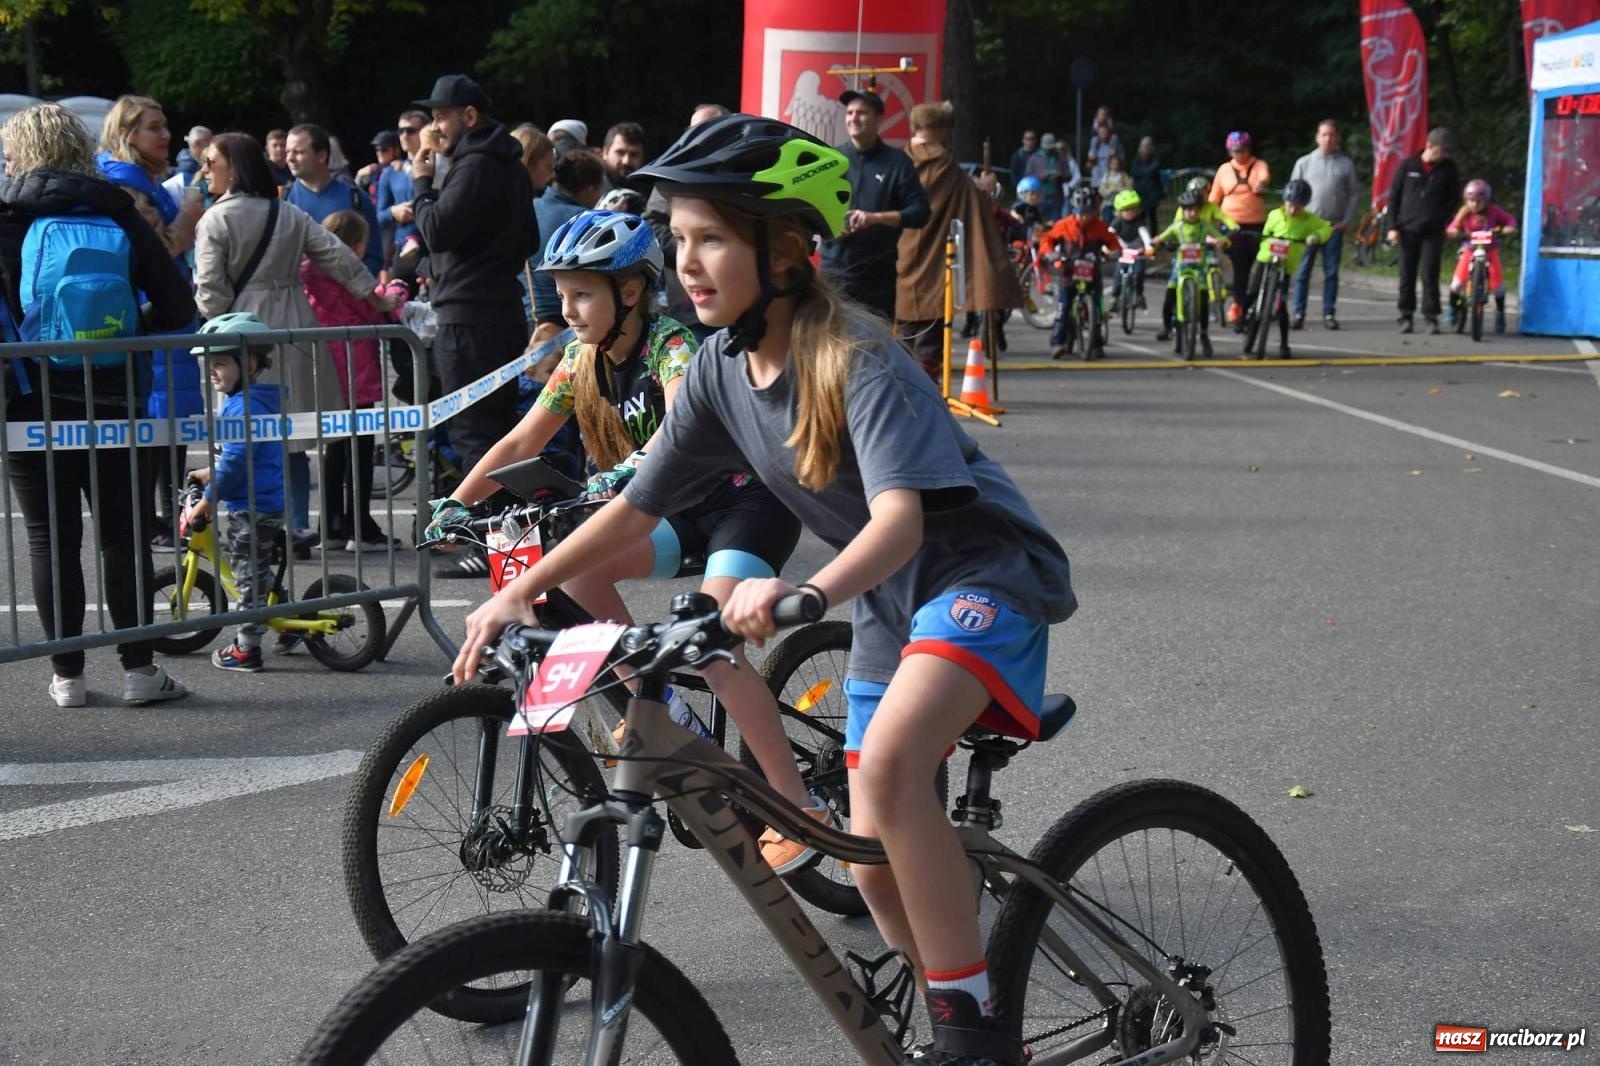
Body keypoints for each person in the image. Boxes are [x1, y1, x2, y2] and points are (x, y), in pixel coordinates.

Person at [453, 114, 1076, 1066]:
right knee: (871, 857)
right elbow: (634, 510)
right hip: (884, 602)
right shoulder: (716, 369)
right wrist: (515, 592)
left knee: (893, 768)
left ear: (782, 248)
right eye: (680, 241)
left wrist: (805, 597)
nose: (686, 263)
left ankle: (974, 1033)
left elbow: (902, 520)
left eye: (710, 239)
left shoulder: (858, 360)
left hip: (976, 574)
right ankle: (957, 1014)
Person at [429, 207, 832, 868]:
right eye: (562, 295)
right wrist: (453, 503)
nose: (570, 308)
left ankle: (801, 808)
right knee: (573, 574)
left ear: (632, 292)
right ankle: (665, 713)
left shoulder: (673, 345)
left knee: (710, 643)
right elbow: (518, 441)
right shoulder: (580, 361)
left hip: (743, 504)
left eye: (583, 293)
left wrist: (632, 468)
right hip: (670, 511)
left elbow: (680, 430)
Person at [1, 102, 196, 706]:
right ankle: (139, 671)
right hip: (116, 396)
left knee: (49, 538)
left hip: (29, 401)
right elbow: (178, 309)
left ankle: (67, 678)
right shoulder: (118, 210)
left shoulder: (7, 217)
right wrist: (118, 325)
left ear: (24, 153)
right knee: (122, 535)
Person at [192, 133, 395, 559]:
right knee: (293, 434)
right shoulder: (288, 213)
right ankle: (298, 524)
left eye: (212, 161)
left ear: (235, 167)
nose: (204, 169)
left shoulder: (215, 220)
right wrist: (374, 296)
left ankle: (260, 526)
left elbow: (210, 291)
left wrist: (214, 322)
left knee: (244, 431)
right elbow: (338, 256)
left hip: (239, 331)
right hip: (293, 328)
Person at [96, 94, 205, 554]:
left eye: (165, 126)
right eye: (153, 127)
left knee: (172, 421)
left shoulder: (145, 181)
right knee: (155, 422)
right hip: (149, 317)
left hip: (167, 319)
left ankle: (168, 514)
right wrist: (188, 215)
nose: (165, 136)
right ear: (127, 135)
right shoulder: (127, 187)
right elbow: (158, 251)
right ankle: (151, 519)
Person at [183, 314, 286, 672]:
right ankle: (286, 626)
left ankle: (246, 649)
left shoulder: (244, 406)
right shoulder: (248, 401)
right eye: (210, 365)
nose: (213, 373)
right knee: (256, 570)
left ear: (251, 364)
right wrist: (208, 472)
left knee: (247, 575)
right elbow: (240, 456)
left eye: (221, 364)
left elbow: (237, 461)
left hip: (253, 507)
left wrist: (209, 498)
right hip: (262, 499)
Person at [896, 101, 1023, 380]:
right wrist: (986, 186)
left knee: (902, 329)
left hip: (901, 254)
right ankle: (924, 389)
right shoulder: (944, 164)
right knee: (930, 330)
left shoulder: (899, 159)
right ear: (942, 130)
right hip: (935, 259)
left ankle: (901, 388)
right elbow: (974, 198)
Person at [301, 209, 401, 551]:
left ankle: (330, 524)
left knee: (335, 449)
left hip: (326, 366)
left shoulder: (308, 272)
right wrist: (397, 293)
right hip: (355, 365)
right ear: (355, 246)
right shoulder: (349, 273)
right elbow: (378, 308)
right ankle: (360, 525)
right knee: (360, 449)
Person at [817, 88, 929, 323]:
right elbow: (811, 207)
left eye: (861, 113)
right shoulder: (831, 160)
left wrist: (875, 218)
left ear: (879, 119)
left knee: (876, 346)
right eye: (849, 113)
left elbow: (920, 212)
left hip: (877, 275)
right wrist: (832, 224)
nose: (853, 118)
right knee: (829, 342)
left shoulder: (897, 162)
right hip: (834, 271)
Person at [1242, 180, 1333, 359]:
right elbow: (1266, 233)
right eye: (1290, 205)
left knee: (1281, 303)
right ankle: (1242, 319)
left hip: (1287, 263)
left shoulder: (1309, 220)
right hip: (1266, 258)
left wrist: (1316, 236)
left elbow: (1326, 228)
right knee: (1253, 291)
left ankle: (1284, 343)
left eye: (1298, 207)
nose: (1293, 210)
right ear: (1284, 202)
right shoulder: (1274, 215)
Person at [1386, 127, 1462, 335]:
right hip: (1407, 228)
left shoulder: (1449, 169)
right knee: (1406, 274)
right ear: (1429, 146)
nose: (1445, 154)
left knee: (1430, 273)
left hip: (1433, 229)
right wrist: (1393, 226)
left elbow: (1454, 198)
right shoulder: (1407, 165)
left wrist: (1445, 219)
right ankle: (1405, 315)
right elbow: (1394, 197)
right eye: (1442, 150)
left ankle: (1431, 316)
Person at [283, 123, 384, 277]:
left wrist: (350, 287)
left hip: (347, 296)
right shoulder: (282, 201)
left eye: (298, 152)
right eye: (288, 152)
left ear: (322, 156)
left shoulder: (355, 198)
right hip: (299, 297)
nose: (290, 158)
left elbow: (374, 256)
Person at [529, 149, 605, 344]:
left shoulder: (526, 208)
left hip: (526, 321)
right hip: (569, 326)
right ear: (590, 189)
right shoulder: (587, 221)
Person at [1288, 119, 1359, 330]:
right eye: (1324, 134)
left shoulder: (1346, 164)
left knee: (1331, 272)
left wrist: (1346, 221)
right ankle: (1299, 312)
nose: (1327, 139)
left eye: (1331, 135)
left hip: (1332, 226)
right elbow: (1291, 192)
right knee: (1302, 271)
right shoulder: (1304, 163)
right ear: (1317, 137)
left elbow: (1354, 194)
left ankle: (1329, 312)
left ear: (1337, 138)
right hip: (1307, 225)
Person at [1039, 185, 1121, 359]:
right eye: (1081, 213)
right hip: (1069, 271)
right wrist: (1050, 253)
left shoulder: (1099, 227)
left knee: (1097, 307)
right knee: (1064, 307)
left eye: (1088, 213)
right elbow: (1048, 239)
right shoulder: (1064, 225)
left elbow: (1113, 242)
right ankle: (1057, 342)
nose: (1084, 217)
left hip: (1092, 271)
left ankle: (1097, 342)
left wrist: (1113, 251)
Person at [1151, 186, 1231, 355]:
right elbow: (1162, 236)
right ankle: (1167, 327)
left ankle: (1203, 334)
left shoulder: (1204, 226)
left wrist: (1222, 241)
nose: (1192, 213)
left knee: (1203, 301)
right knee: (1169, 297)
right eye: (1187, 210)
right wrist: (1156, 242)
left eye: (1195, 210)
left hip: (1199, 268)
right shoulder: (1177, 227)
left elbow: (1219, 236)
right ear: (1183, 211)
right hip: (1181, 268)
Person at [1208, 131, 1270, 328]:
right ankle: (1238, 305)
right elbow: (1214, 198)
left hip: (1256, 224)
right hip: (1232, 225)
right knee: (1241, 265)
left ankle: (1252, 301)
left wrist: (1261, 184)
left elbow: (1264, 177)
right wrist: (1208, 221)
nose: (1239, 155)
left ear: (1248, 149)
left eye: (1242, 151)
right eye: (1234, 151)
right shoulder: (1224, 170)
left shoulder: (1258, 165)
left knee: (1259, 265)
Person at [1445, 178, 1517, 334]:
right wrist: (1453, 231)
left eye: (1479, 201)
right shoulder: (1463, 213)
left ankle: (1500, 312)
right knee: (1456, 285)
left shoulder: (1494, 211)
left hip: (1490, 250)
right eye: (1471, 200)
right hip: (1469, 250)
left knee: (1498, 287)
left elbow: (1510, 220)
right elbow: (1452, 226)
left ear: (1486, 200)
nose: (1475, 205)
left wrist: (1509, 228)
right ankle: (1453, 307)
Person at [1106, 188, 1152, 312]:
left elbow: (1145, 235)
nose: (1130, 212)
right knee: (1117, 276)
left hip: (1137, 252)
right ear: (1119, 211)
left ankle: (1139, 295)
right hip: (1122, 252)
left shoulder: (1139, 222)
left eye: (1133, 209)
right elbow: (1109, 235)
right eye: (1126, 210)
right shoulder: (1116, 222)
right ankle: (1115, 298)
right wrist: (1106, 247)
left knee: (1139, 272)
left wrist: (1149, 247)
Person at [1025, 132, 1079, 220]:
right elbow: (1027, 177)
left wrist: (1060, 175)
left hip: (1056, 197)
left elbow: (1069, 175)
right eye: (1047, 148)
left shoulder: (1060, 157)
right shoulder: (1034, 158)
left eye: (1050, 148)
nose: (1048, 150)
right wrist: (1040, 177)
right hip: (1039, 197)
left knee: (1056, 223)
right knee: (1036, 222)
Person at [600, 121, 646, 193]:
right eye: (620, 153)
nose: (626, 161)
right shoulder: (588, 187)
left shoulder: (650, 190)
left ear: (642, 157)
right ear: (605, 153)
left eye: (634, 155)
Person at [1131, 135, 1163, 231]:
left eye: (1147, 145)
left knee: (1152, 217)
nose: (1145, 148)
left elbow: (1152, 171)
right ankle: (1142, 236)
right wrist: (1146, 172)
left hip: (1152, 192)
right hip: (1139, 192)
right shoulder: (1136, 159)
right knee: (1140, 217)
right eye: (1143, 145)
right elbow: (1134, 172)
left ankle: (1153, 236)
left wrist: (1143, 172)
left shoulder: (1155, 159)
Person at [1097, 152, 1132, 219]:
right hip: (1108, 203)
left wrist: (1120, 190)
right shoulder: (1106, 175)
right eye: (1113, 163)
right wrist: (1109, 191)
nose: (1115, 165)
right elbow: (1101, 189)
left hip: (1120, 204)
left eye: (1116, 163)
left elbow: (1129, 188)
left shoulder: (1123, 175)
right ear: (1109, 164)